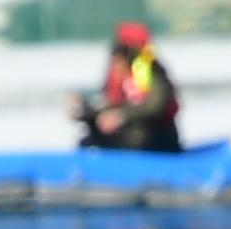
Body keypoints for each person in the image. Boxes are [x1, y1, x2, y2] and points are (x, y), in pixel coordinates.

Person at [73, 21, 182, 153]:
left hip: (153, 137)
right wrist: (84, 111)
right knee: (89, 139)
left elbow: (155, 105)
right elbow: (107, 101)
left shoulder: (151, 71)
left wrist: (122, 115)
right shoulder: (116, 74)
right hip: (124, 135)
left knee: (138, 134)